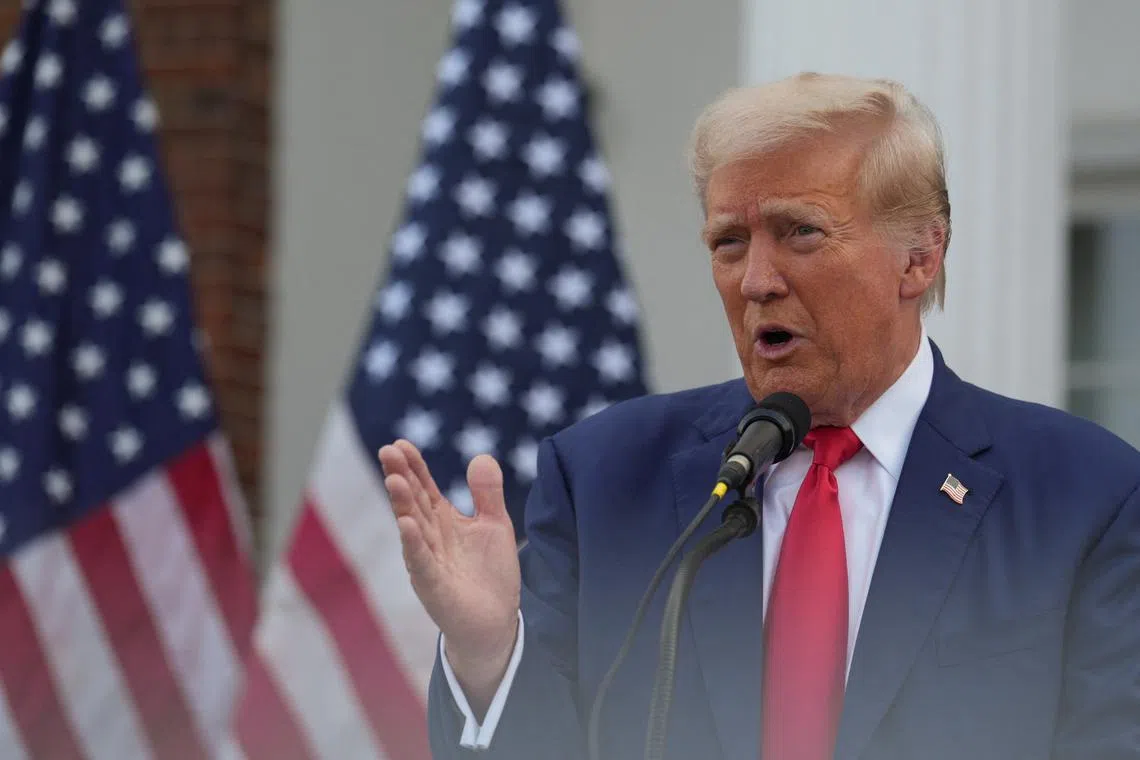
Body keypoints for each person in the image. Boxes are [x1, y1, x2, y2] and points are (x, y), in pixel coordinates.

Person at [379, 73, 1140, 760]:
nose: (756, 281)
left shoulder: (1086, 497)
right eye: (729, 242)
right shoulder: (606, 479)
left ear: (920, 256)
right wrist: (486, 655)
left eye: (800, 232)